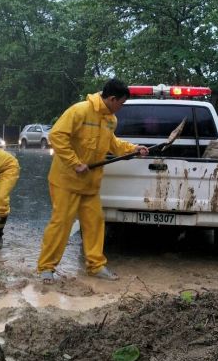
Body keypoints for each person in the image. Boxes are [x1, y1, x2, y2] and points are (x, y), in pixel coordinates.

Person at [37, 78, 148, 284]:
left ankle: (95, 266)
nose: (121, 108)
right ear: (112, 99)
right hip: (66, 180)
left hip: (90, 183)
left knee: (95, 224)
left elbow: (111, 142)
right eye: (121, 103)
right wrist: (74, 162)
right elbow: (57, 135)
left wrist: (132, 148)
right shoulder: (80, 111)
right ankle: (46, 268)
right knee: (61, 223)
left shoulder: (110, 120)